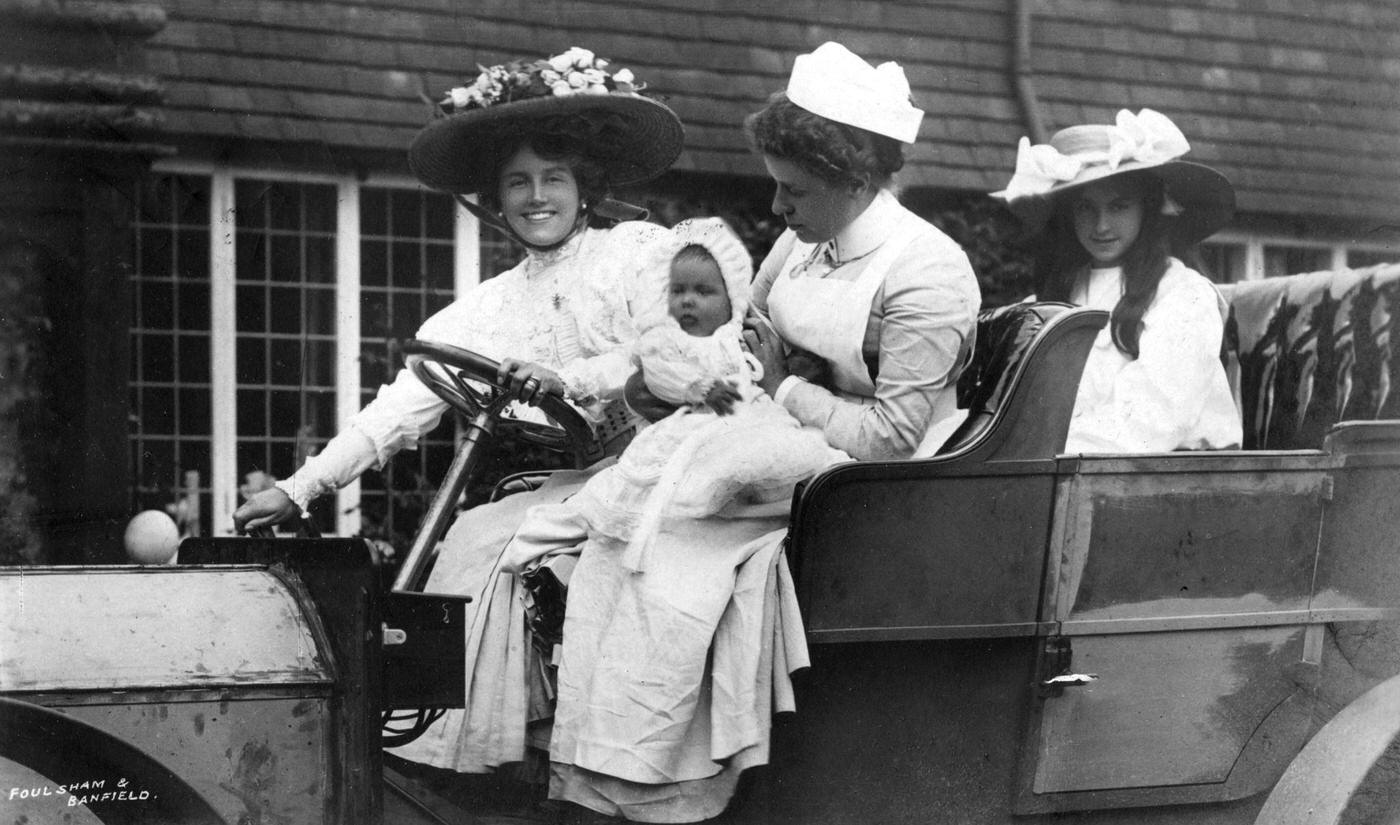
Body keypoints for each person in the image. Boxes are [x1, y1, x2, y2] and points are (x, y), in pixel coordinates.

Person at [228, 45, 685, 781]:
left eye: (554, 179)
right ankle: (474, 763)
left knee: (516, 540)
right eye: (517, 183)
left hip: (664, 463)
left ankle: (574, 750)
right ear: (495, 199)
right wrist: (301, 487)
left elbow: (666, 360)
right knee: (474, 534)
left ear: (585, 187)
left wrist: (564, 379)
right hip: (578, 478)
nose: (538, 197)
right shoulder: (490, 305)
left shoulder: (636, 254)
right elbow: (397, 410)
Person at [737, 42, 982, 461]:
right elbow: (742, 327)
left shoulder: (928, 270)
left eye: (795, 190)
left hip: (883, 477)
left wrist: (784, 386)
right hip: (787, 434)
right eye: (776, 185)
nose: (778, 207)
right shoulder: (800, 239)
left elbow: (891, 440)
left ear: (856, 182)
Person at [992, 108, 1242, 453]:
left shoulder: (1183, 294)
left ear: (1147, 208)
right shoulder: (1052, 298)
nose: (1101, 226)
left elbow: (1152, 419)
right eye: (1085, 208)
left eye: (1119, 206)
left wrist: (1032, 446)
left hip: (1171, 474)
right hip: (1064, 466)